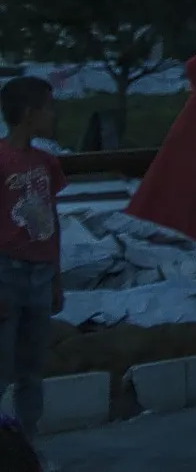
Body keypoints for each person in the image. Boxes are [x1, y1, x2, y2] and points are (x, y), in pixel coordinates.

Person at [0, 76, 64, 462]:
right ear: (28, 113)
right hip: (6, 274)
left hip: (40, 276)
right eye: (48, 108)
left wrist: (56, 276)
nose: (53, 116)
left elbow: (53, 219)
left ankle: (26, 450)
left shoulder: (46, 163)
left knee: (31, 370)